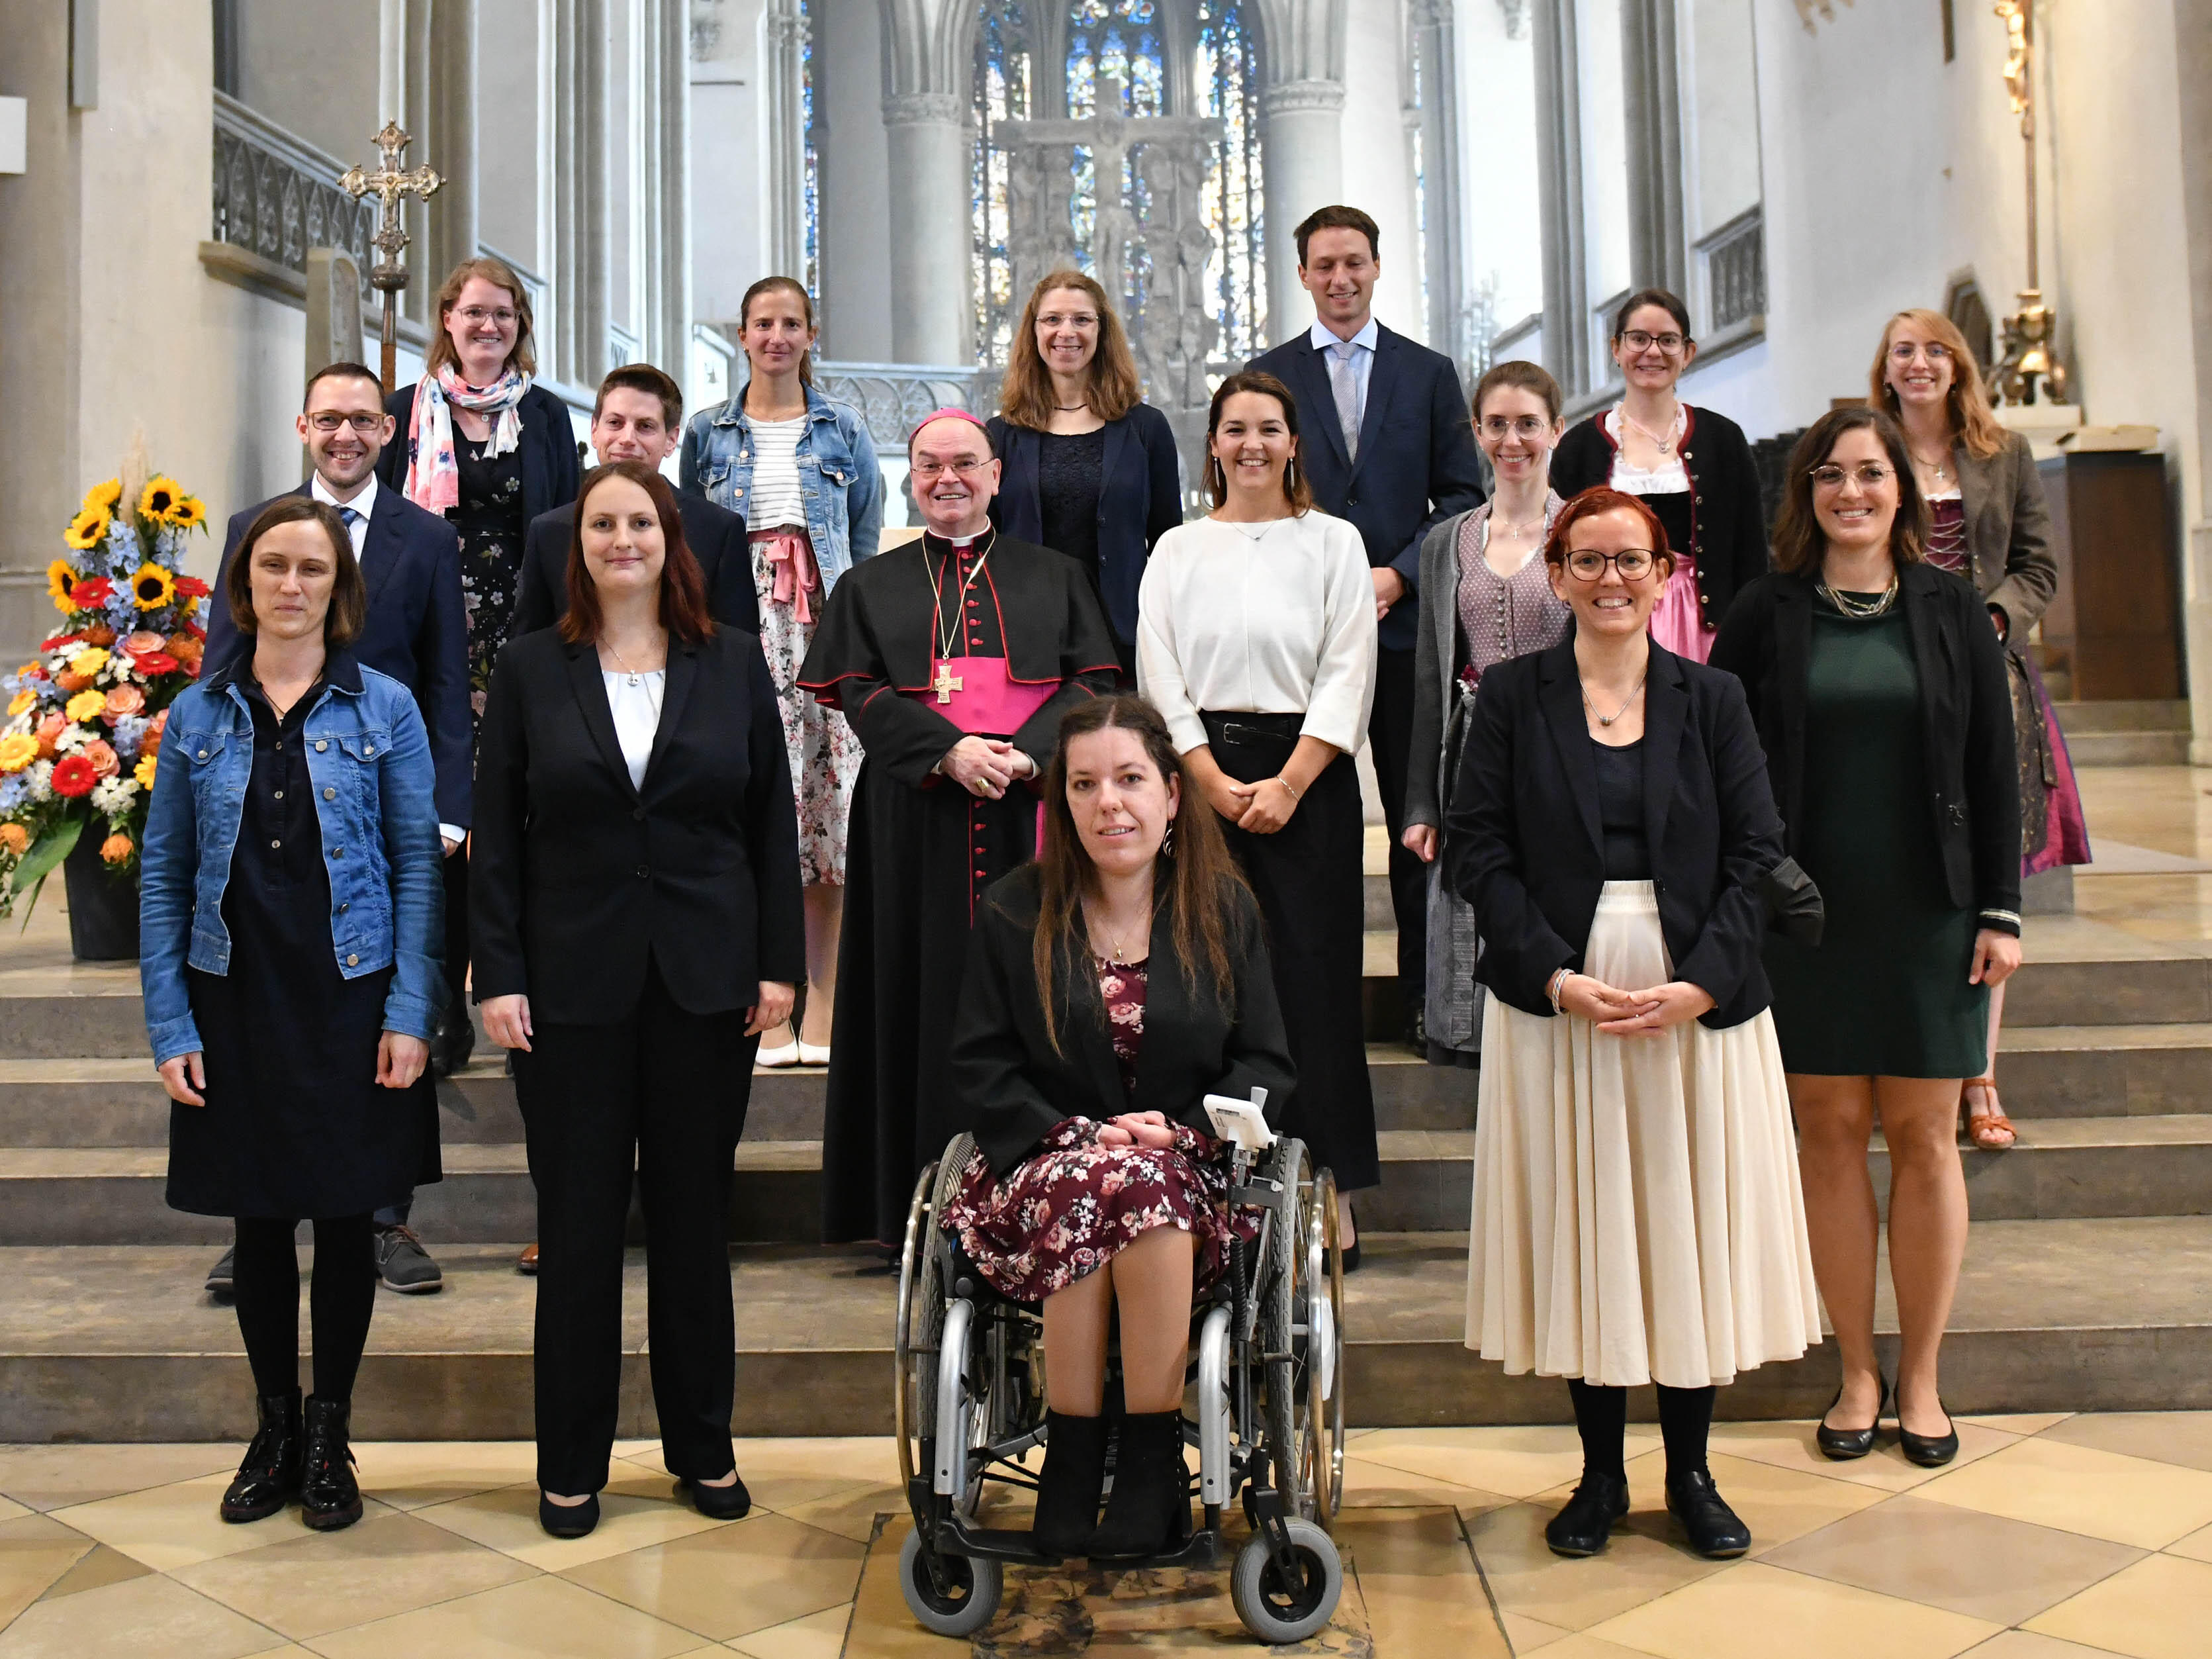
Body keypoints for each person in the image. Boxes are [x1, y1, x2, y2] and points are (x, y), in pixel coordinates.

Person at [1448, 487, 1820, 1561]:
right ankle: (1600, 1475)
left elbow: (1758, 850)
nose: (1612, 579)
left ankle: (1692, 1474)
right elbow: (1478, 849)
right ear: (1556, 574)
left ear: (1665, 577)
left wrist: (1703, 981)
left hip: (1692, 1002)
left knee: (1678, 1225)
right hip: (1562, 1004)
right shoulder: (1512, 698)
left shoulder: (1711, 698)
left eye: (1632, 560)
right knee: (1590, 1226)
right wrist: (1555, 976)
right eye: (1590, 560)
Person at [470, 461, 804, 1538]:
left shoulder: (734, 663)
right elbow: (496, 835)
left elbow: (769, 822)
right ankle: (569, 1464)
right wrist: (499, 972)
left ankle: (700, 1445)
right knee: (574, 1232)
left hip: (705, 984)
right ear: (580, 544)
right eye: (604, 523)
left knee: (694, 1226)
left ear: (674, 543)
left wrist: (778, 963)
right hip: (566, 991)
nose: (624, 539)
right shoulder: (529, 669)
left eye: (643, 523)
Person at [1711, 408, 2021, 1471]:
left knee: (1927, 1137)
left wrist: (2000, 909)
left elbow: (1991, 769)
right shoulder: (1763, 611)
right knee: (1830, 1130)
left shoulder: (1949, 611)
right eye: (1830, 475)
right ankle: (1854, 1368)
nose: (1850, 490)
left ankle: (1923, 1375)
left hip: (1927, 910)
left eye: (1870, 473)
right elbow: (1725, 761)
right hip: (1806, 916)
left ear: (1903, 489)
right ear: (1803, 492)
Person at [140, 497, 444, 1532]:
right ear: (244, 583)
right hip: (232, 990)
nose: (292, 584)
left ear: (339, 588)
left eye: (313, 569)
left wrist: (411, 1010)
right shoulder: (197, 713)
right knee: (258, 1217)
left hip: (350, 990)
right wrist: (170, 1023)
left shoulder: (385, 708)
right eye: (273, 566)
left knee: (348, 1214)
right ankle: (270, 1428)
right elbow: (164, 874)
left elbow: (415, 865)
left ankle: (329, 1430)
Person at [945, 695, 1295, 1558]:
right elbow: (981, 1063)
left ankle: (1137, 1460)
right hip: (1042, 1168)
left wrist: (1181, 1134)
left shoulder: (1222, 910)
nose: (1110, 802)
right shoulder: (1013, 913)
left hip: (1191, 1172)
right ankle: (1085, 1454)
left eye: (1130, 779)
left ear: (1172, 795)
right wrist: (1074, 1133)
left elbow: (1264, 1062)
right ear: (1062, 803)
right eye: (1086, 783)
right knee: (1106, 1183)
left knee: (1139, 1187)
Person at [796, 411, 1118, 1249]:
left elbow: (1092, 680)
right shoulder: (870, 584)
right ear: (910, 478)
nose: (949, 478)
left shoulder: (1056, 574)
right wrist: (946, 752)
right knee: (911, 990)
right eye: (930, 464)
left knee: (1036, 991)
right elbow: (855, 690)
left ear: (997, 475)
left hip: (1030, 809)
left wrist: (1025, 755)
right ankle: (911, 1205)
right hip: (913, 814)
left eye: (965, 464)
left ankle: (1043, 1190)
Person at [197, 361, 468, 1298]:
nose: (346, 434)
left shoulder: (426, 539)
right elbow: (219, 672)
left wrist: (447, 806)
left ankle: (385, 1216)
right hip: (268, 817)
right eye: (329, 419)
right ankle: (262, 1210)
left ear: (388, 431)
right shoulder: (256, 530)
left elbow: (444, 684)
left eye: (363, 419)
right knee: (271, 1019)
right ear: (303, 425)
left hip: (384, 816)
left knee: (384, 1013)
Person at [1136, 371, 1379, 1262]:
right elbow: (1157, 668)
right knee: (1207, 984)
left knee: (1312, 988)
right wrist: (1198, 773)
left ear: (1291, 444)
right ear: (1212, 444)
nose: (1251, 443)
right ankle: (1215, 1183)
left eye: (1268, 428)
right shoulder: (1178, 548)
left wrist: (1290, 779)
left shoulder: (1333, 543)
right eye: (1234, 428)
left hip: (1305, 777)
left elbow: (1349, 665)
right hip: (1201, 781)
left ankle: (1331, 1188)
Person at [1246, 205, 1485, 1041]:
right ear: (1303, 274)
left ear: (1377, 267)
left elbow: (1464, 495)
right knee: (1306, 817)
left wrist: (1395, 574)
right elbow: (1254, 493)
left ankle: (1424, 996)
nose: (1340, 279)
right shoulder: (1269, 375)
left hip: (1404, 627)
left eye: (1354, 263)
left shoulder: (1427, 373)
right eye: (1324, 265)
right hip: (1299, 638)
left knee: (1419, 814)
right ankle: (1304, 1000)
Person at [1870, 308, 2082, 1148]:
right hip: (1888, 676)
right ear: (1885, 370)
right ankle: (1900, 1061)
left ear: (1959, 368)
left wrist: (1991, 620)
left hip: (1987, 680)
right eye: (1904, 353)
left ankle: (1979, 1074)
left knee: (1990, 883)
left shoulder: (2006, 455)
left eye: (1935, 352)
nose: (1920, 365)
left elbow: (2038, 564)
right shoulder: (1863, 449)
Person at [379, 254, 582, 1088]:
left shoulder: (544, 416)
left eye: (502, 314)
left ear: (520, 324)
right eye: (472, 313)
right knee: (435, 829)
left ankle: (513, 987)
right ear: (448, 319)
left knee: (508, 823)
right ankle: (433, 1007)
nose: (487, 326)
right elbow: (382, 529)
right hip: (429, 648)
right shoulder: (403, 413)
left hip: (520, 643)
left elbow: (569, 532)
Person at [683, 277, 883, 1067]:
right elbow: (692, 533)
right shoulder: (707, 431)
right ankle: (766, 1001)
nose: (776, 336)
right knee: (747, 805)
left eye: (790, 323)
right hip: (734, 627)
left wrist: (852, 626)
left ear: (811, 333)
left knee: (825, 815)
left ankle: (826, 1002)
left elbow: (862, 538)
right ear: (742, 335)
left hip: (821, 628)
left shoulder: (843, 427)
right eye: (763, 324)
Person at [1402, 361, 1574, 1068]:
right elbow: (1431, 676)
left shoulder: (1584, 527)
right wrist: (1421, 801)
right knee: (1475, 888)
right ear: (1477, 431)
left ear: (1556, 430)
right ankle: (1470, 1031)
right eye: (1497, 424)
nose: (1513, 439)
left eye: (1528, 423)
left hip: (1564, 742)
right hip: (1472, 743)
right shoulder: (1449, 541)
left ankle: (1557, 1009)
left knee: (1555, 883)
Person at [1551, 289, 1769, 665]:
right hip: (1610, 614)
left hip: (1707, 626)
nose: (1652, 351)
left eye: (1668, 340)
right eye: (1638, 339)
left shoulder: (1724, 439)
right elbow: (1560, 552)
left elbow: (1750, 553)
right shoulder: (1579, 446)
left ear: (1688, 353)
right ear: (1616, 349)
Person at [987, 269, 1183, 681]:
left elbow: (1168, 542)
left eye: (1082, 319)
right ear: (1034, 331)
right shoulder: (1002, 434)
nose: (1066, 332)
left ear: (1102, 330)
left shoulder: (1146, 428)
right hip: (1027, 633)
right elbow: (989, 542)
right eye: (1053, 319)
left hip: (1123, 633)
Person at [515, 363, 760, 636]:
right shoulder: (548, 531)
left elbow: (738, 653)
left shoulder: (718, 530)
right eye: (615, 423)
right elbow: (529, 653)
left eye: (645, 426)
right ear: (594, 430)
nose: (627, 439)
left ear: (671, 440)